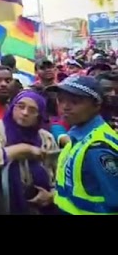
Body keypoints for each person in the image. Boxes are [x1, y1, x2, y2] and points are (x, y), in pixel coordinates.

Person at [48, 75, 118, 215]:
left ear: (96, 105)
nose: (65, 107)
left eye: (75, 101)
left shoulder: (98, 148)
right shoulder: (78, 135)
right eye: (61, 100)